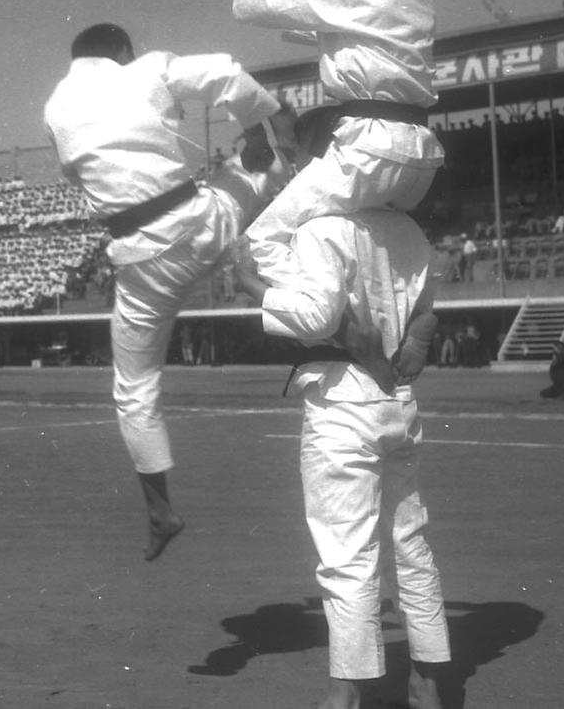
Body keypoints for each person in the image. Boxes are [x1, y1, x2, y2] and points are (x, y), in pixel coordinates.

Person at [44, 22, 292, 561]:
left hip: (139, 258)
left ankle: (160, 508)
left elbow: (78, 171)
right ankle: (292, 152)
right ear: (123, 51)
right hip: (200, 223)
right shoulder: (146, 68)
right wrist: (257, 126)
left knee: (133, 387)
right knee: (267, 167)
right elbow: (225, 72)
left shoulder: (57, 105)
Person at [233, 106, 449, 709]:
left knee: (346, 555)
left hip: (341, 401)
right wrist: (409, 347)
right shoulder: (409, 231)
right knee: (411, 541)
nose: (298, 168)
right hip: (397, 403)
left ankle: (346, 694)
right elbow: (425, 318)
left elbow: (315, 320)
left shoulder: (321, 229)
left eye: (303, 156)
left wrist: (252, 286)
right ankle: (428, 682)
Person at [215, 0, 443, 292]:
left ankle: (326, 323)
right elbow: (320, 19)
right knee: (363, 244)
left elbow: (298, 1)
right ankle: (404, 318)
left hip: (369, 152)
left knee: (260, 243)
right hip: (415, 154)